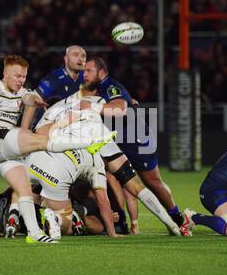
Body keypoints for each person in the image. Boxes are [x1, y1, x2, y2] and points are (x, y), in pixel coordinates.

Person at [0, 55, 114, 243]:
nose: (21, 80)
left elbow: (28, 98)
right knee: (42, 140)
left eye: (24, 76)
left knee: (24, 191)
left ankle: (33, 233)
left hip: (4, 155)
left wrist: (34, 102)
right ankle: (86, 142)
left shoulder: (22, 92)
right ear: (5, 73)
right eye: (17, 76)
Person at [33, 76, 182, 236]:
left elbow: (40, 133)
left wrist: (58, 127)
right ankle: (169, 224)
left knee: (35, 186)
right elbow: (119, 106)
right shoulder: (98, 103)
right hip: (95, 142)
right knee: (133, 186)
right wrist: (130, 103)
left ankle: (36, 217)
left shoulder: (55, 109)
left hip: (69, 150)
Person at [78, 58, 186, 235]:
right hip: (117, 141)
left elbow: (119, 109)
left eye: (89, 70)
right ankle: (120, 220)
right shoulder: (98, 88)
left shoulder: (110, 86)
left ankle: (178, 217)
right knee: (110, 177)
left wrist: (94, 108)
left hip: (136, 141)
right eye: (84, 71)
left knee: (154, 183)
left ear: (101, 72)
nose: (85, 74)